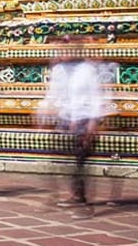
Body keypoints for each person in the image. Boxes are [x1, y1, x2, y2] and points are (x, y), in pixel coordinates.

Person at [39, 41, 108, 216]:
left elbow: (96, 97)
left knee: (80, 160)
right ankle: (66, 194)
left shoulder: (88, 70)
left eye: (63, 50)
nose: (60, 53)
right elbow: (53, 94)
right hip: (66, 118)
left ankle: (81, 199)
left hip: (84, 119)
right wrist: (42, 114)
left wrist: (93, 124)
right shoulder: (58, 71)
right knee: (61, 159)